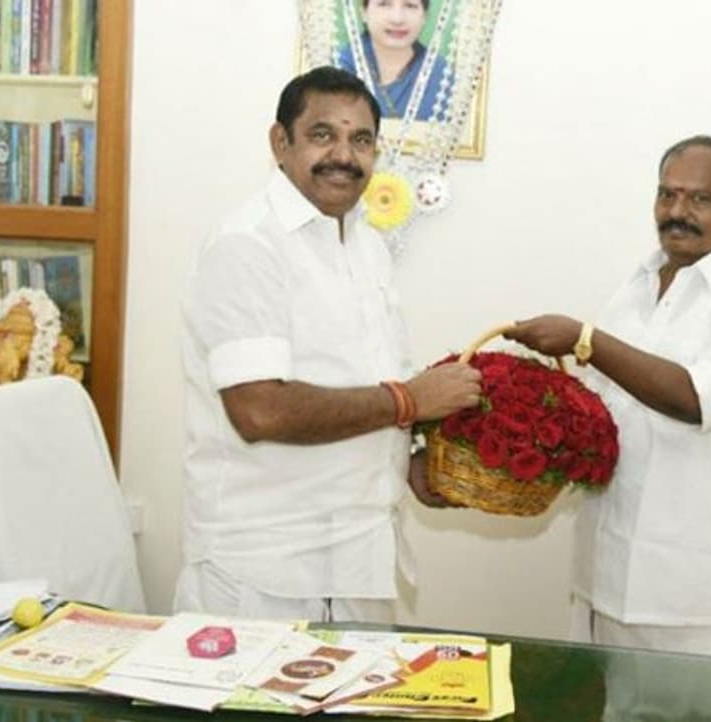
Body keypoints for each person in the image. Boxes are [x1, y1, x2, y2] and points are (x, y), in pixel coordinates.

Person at [504, 136, 711, 722]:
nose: (677, 211)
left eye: (700, 199)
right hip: (613, 583)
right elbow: (601, 417)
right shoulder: (636, 287)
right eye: (667, 195)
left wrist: (586, 340)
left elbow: (693, 398)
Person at [175, 67, 481, 623]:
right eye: (322, 135)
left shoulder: (365, 244)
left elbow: (362, 377)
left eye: (360, 140)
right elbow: (259, 410)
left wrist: (409, 461)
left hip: (360, 557)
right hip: (266, 571)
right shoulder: (247, 244)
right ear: (280, 143)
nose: (343, 155)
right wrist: (409, 401)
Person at [337, 0, 451, 121]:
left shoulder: (442, 77)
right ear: (364, 12)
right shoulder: (338, 67)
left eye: (410, 5)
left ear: (425, 15)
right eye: (384, 4)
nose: (397, 19)